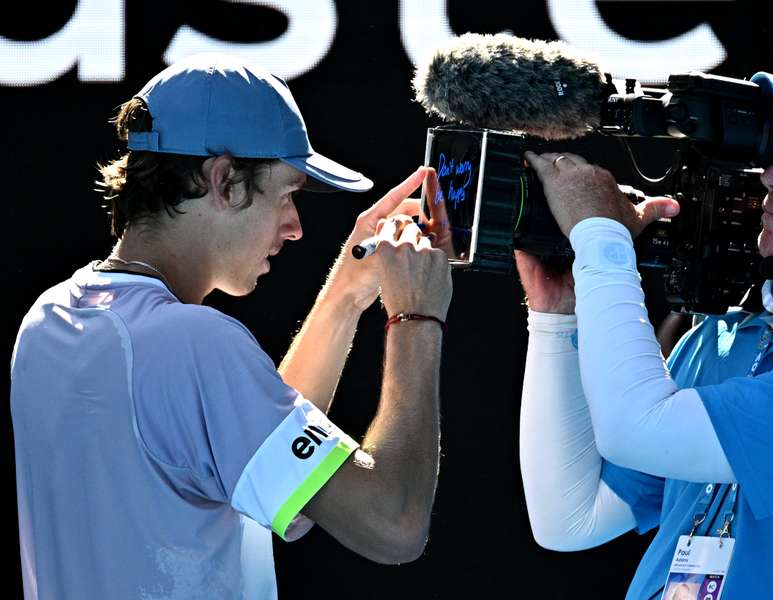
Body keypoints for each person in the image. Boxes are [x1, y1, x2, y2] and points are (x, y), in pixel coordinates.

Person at [11, 53, 452, 599]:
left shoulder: (48, 318)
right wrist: (416, 316)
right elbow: (395, 523)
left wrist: (345, 296)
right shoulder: (194, 344)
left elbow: (238, 440)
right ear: (223, 180)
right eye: (287, 195)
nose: (295, 228)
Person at [517, 49, 773, 598]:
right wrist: (558, 317)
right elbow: (569, 519)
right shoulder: (725, 340)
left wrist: (602, 241)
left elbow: (637, 427)